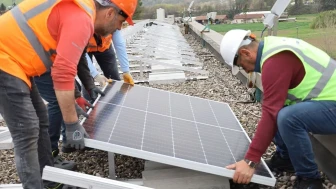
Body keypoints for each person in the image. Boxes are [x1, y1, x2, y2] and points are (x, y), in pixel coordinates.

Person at [0, 0, 137, 188]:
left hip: (15, 63)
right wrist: (71, 125)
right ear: (110, 13)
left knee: (40, 121)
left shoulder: (82, 12)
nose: (118, 29)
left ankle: (49, 181)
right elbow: (62, 73)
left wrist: (84, 91)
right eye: (121, 22)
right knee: (27, 131)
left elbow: (75, 55)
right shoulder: (81, 17)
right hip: (4, 62)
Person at [220, 29, 336, 189]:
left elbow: (271, 113)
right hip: (327, 101)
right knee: (278, 109)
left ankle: (310, 180)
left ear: (246, 53)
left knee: (288, 117)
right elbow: (273, 107)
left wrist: (250, 161)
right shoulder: (273, 48)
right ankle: (286, 158)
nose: (246, 70)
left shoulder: (275, 61)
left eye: (241, 65)